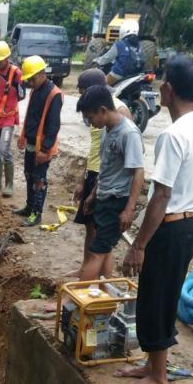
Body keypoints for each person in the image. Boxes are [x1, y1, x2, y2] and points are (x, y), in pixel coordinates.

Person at [117, 55, 193, 384]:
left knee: (158, 298)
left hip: (170, 227)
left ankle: (158, 379)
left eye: (163, 82)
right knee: (159, 295)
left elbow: (161, 194)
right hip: (186, 225)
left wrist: (138, 244)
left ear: (168, 89)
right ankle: (151, 364)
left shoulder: (172, 135)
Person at [78, 85, 144, 281]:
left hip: (117, 199)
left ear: (103, 111)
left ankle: (72, 305)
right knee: (104, 248)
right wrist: (93, 195)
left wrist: (129, 209)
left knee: (96, 252)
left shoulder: (128, 133)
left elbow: (138, 171)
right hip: (105, 196)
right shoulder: (108, 129)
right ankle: (104, 294)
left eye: (90, 118)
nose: (90, 122)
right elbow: (105, 167)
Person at [73, 69, 132, 266]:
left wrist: (128, 205)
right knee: (91, 227)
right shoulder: (97, 115)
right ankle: (86, 268)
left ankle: (92, 277)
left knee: (102, 236)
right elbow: (96, 150)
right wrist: (85, 180)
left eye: (83, 92)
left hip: (109, 184)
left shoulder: (119, 114)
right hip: (97, 175)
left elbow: (131, 162)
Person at [13, 55, 63, 227]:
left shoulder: (54, 94)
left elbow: (53, 125)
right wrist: (23, 136)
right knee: (29, 175)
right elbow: (31, 117)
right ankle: (29, 206)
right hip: (31, 143)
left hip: (43, 148)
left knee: (39, 180)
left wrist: (45, 149)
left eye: (32, 79)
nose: (30, 83)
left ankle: (36, 213)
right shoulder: (36, 91)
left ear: (42, 73)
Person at [0, 40, 25, 197]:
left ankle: (9, 184)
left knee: (4, 150)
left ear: (6, 58)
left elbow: (22, 95)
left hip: (8, 118)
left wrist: (14, 88)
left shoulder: (16, 73)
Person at [95, 20, 145, 85]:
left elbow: (107, 57)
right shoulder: (139, 45)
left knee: (102, 86)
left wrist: (98, 61)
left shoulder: (119, 44)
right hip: (135, 75)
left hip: (119, 74)